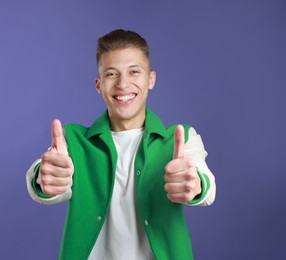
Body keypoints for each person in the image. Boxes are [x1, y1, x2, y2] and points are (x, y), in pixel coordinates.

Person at [26, 29, 216, 260]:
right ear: (99, 85)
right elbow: (49, 177)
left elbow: (206, 186)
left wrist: (195, 185)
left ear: (151, 79)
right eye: (111, 74)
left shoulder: (182, 137)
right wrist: (43, 178)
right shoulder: (72, 140)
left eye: (134, 72)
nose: (123, 84)